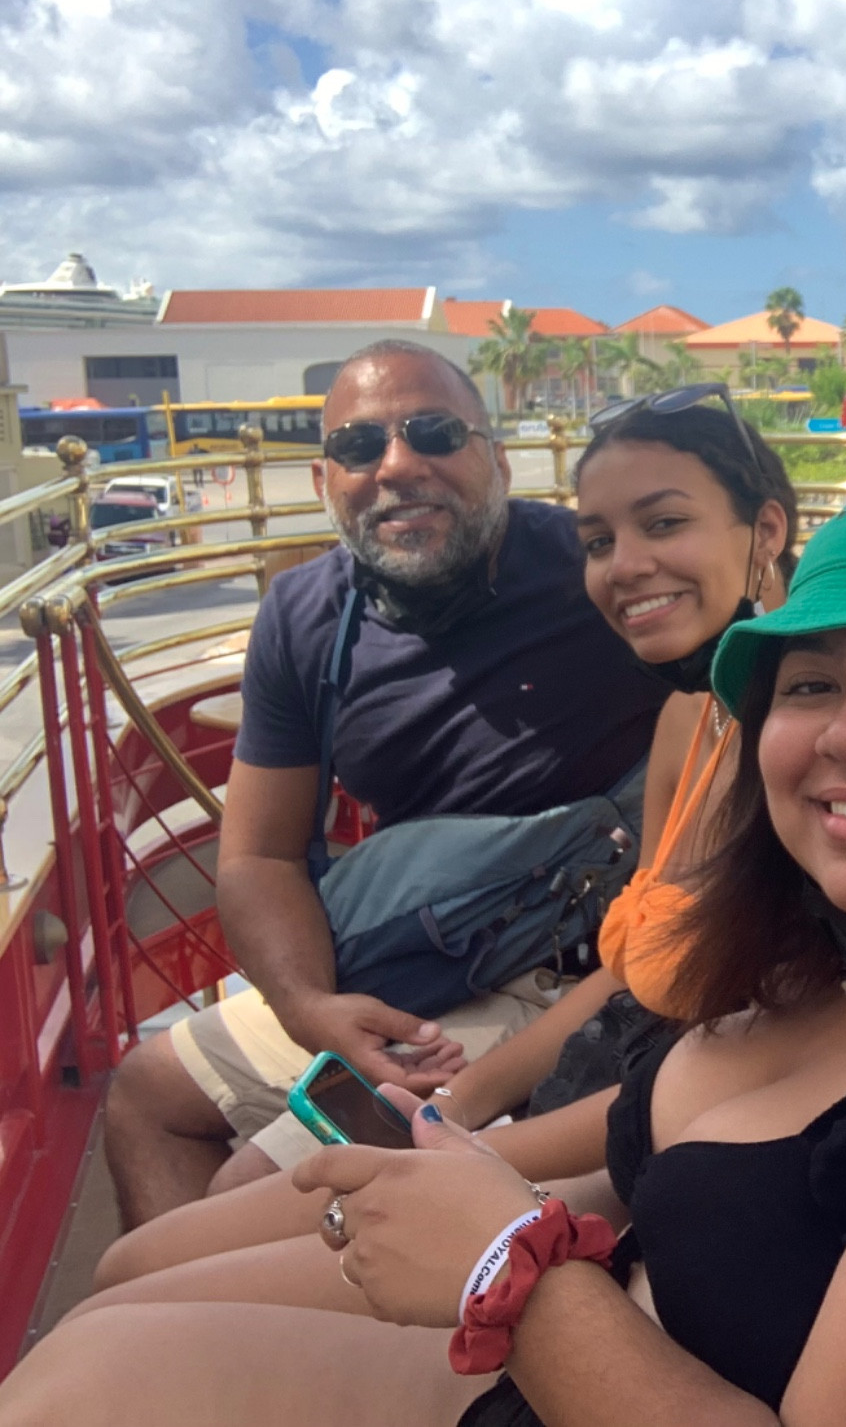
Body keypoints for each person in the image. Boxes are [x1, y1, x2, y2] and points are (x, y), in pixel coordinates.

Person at [3, 476, 846, 1427]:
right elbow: (632, 1151)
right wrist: (444, 1153)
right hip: (585, 1319)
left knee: (78, 1383)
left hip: (581, 1352)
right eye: (807, 686)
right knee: (135, 1271)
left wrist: (506, 1265)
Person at [89, 383, 800, 1287]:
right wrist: (443, 1100)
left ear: (765, 530)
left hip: (637, 1112)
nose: (625, 567)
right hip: (495, 1001)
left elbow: (726, 1053)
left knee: (169, 1263)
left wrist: (460, 1142)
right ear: (322, 478)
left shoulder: (799, 743)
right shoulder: (691, 718)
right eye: (599, 542)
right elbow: (642, 969)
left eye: (664, 524)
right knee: (152, 1211)